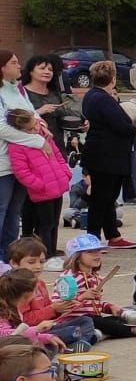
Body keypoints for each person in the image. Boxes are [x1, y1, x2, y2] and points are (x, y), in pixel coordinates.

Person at [79, 60, 136, 243]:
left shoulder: (91, 96)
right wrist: (135, 130)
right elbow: (121, 126)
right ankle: (94, 235)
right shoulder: (104, 99)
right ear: (112, 79)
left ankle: (112, 234)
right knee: (102, 197)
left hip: (99, 152)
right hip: (107, 155)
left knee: (107, 197)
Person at [13, 53, 64, 253]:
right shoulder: (21, 93)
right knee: (33, 207)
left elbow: (61, 119)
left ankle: (50, 248)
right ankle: (31, 247)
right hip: (31, 151)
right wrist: (39, 112)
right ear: (31, 70)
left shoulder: (54, 92)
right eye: (42, 68)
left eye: (50, 69)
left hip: (54, 146)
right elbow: (17, 120)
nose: (46, 72)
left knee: (54, 207)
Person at [55, 234, 136, 338]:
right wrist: (81, 297)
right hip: (73, 321)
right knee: (92, 320)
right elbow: (56, 304)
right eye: (90, 252)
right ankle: (132, 330)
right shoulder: (68, 278)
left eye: (98, 250)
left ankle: (100, 333)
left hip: (95, 318)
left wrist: (109, 307)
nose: (97, 255)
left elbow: (96, 303)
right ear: (76, 257)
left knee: (116, 319)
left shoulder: (95, 277)